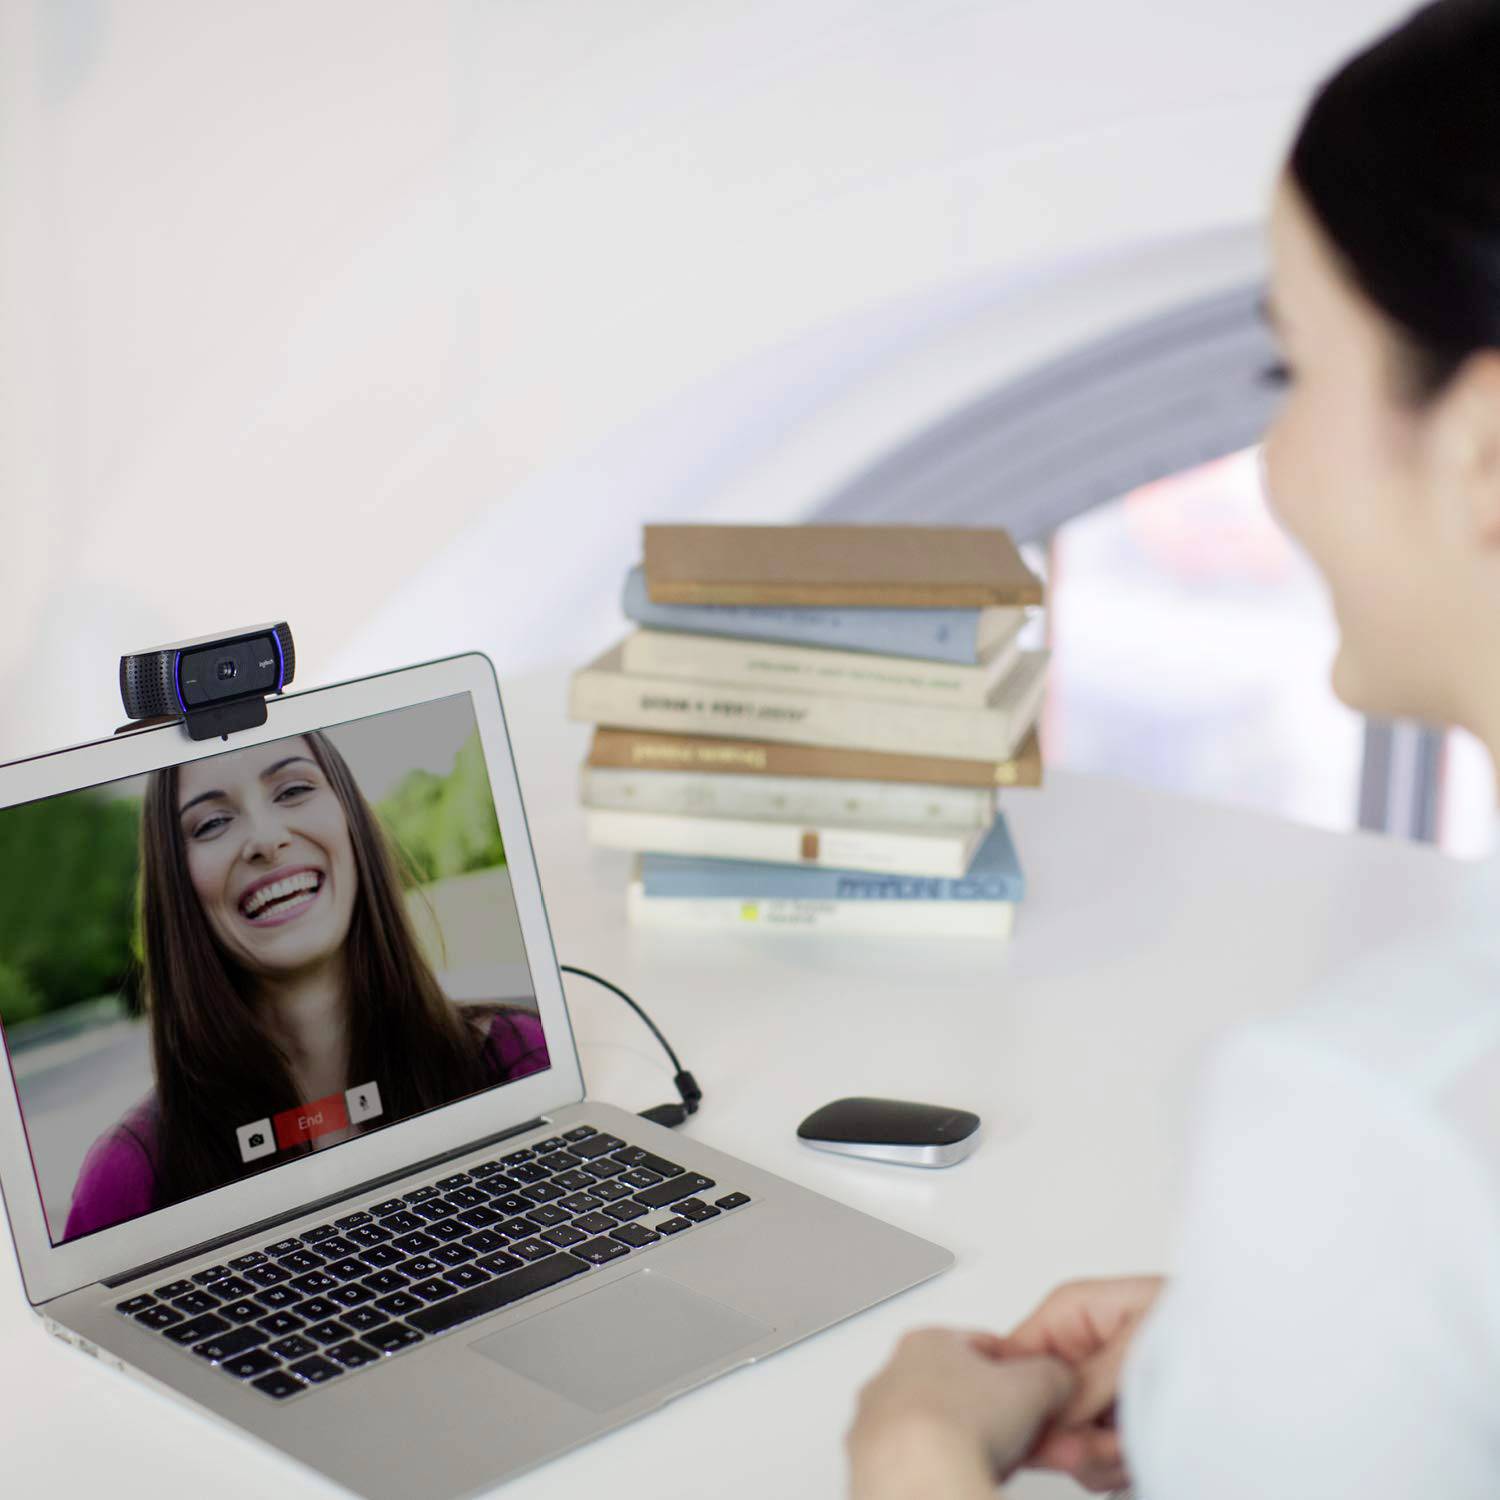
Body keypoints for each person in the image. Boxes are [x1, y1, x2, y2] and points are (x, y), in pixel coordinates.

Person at [846, 2, 1500, 1494]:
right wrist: (1274, 1355)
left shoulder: (1365, 1124)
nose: (1272, 460)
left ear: (1483, 452)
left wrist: (917, 1454)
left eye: (1294, 375)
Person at [63, 729, 548, 1240]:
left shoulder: (517, 1058)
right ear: (177, 885)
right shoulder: (127, 1179)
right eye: (212, 823)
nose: (266, 840)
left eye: (293, 790)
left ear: (350, 820)